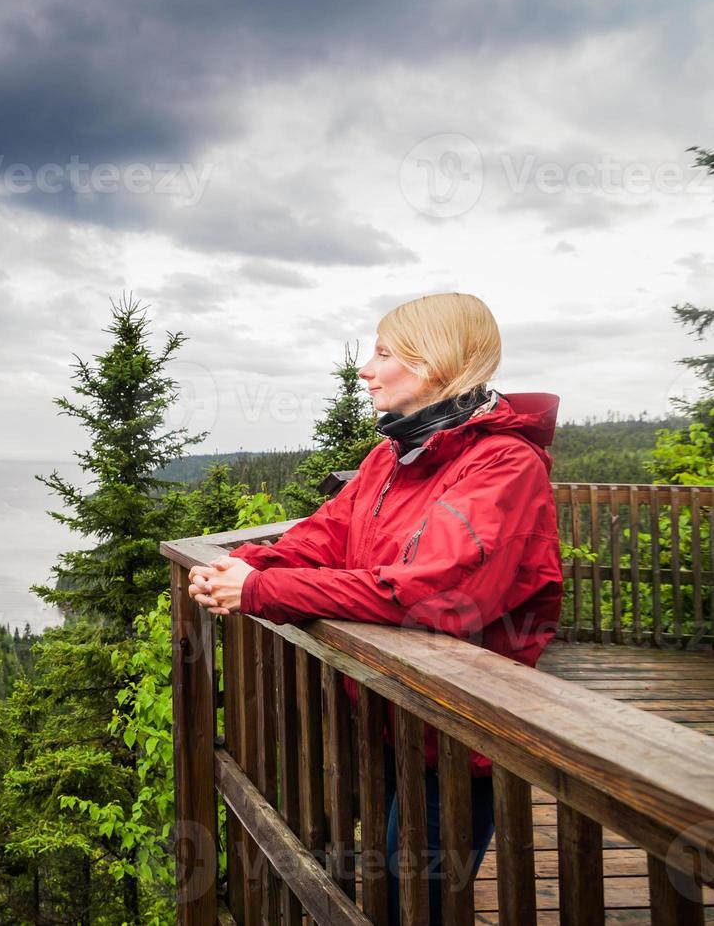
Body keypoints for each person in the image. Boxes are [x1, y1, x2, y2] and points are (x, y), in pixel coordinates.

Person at [186, 292, 564, 926]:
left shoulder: (504, 465)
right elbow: (327, 534)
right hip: (390, 719)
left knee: (410, 904)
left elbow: (436, 593)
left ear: (436, 364)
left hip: (457, 731)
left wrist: (261, 592)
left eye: (383, 352)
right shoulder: (393, 455)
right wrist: (250, 565)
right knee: (383, 887)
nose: (365, 368)